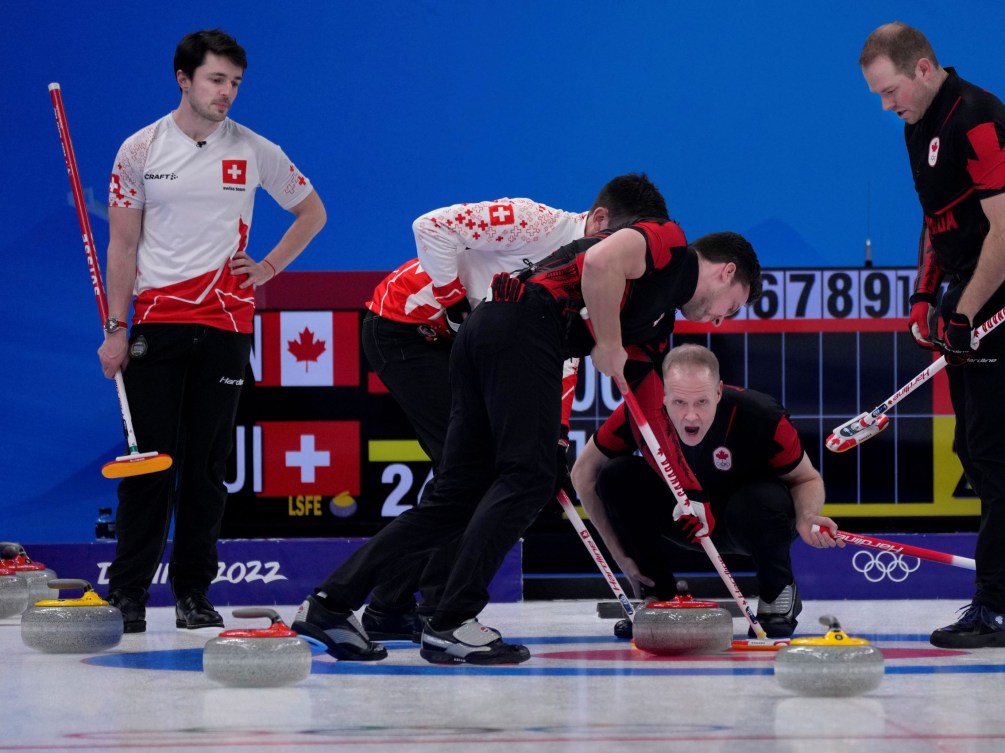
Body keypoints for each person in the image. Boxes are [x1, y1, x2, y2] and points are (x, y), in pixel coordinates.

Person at [292, 174, 761, 664]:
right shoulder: (669, 240)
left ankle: (329, 604)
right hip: (513, 327)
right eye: (734, 308)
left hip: (490, 332)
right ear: (726, 272)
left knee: (462, 492)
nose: (720, 322)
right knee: (527, 477)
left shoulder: (658, 320)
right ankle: (451, 620)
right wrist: (606, 343)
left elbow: (649, 412)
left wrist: (689, 493)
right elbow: (600, 264)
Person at [99, 29, 326, 633]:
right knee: (149, 465)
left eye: (234, 83)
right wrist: (115, 329)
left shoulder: (253, 149)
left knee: (206, 467)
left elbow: (312, 212)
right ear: (184, 79)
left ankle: (193, 595)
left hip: (225, 322)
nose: (227, 93)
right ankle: (126, 596)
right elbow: (122, 246)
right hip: (154, 322)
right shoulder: (138, 150)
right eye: (216, 80)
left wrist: (271, 266)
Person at [860, 22, 1005, 648]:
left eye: (891, 91)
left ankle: (997, 611)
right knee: (978, 454)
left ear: (923, 68)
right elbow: (937, 222)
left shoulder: (977, 119)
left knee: (995, 450)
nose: (888, 106)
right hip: (970, 294)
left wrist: (966, 310)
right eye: (879, 97)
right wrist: (925, 295)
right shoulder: (918, 128)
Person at [356, 195, 611, 641]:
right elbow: (428, 225)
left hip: (465, 343)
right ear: (602, 221)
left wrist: (557, 441)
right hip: (409, 328)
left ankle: (393, 605)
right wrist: (452, 301)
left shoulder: (597, 271)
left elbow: (558, 359)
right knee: (470, 473)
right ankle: (432, 607)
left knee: (477, 473)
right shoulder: (539, 222)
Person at [572, 343, 842, 639]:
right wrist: (620, 555)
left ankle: (777, 594)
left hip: (746, 520)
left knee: (766, 497)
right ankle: (656, 594)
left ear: (718, 392)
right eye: (678, 403)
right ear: (662, 395)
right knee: (617, 475)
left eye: (701, 402)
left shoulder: (762, 415)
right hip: (684, 519)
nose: (690, 417)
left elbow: (806, 479)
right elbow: (583, 473)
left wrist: (806, 516)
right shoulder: (640, 413)